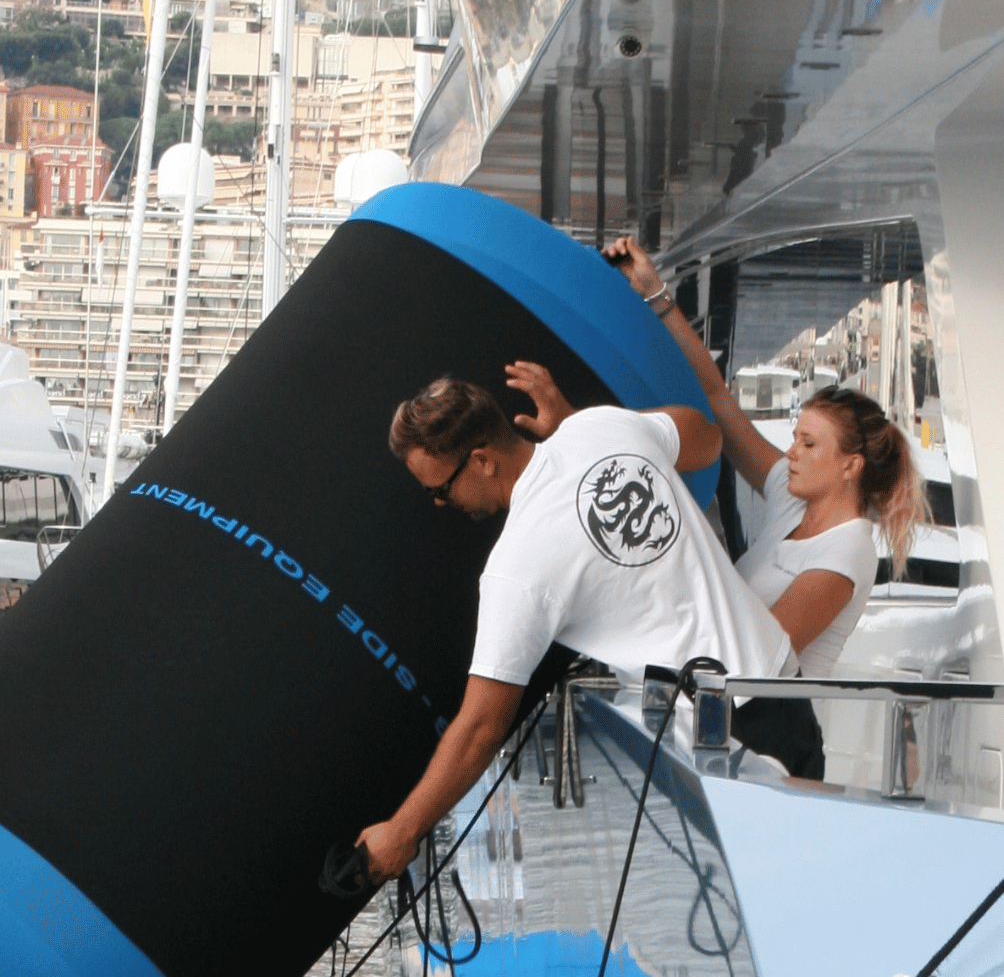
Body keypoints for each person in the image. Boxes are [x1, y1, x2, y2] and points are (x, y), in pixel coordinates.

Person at [356, 377, 800, 885]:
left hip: (726, 741)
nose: (439, 502)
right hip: (786, 685)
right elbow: (706, 439)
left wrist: (402, 830)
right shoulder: (597, 425)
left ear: (482, 460)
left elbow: (481, 727)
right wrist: (594, 430)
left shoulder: (516, 567)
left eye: (441, 489)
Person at [601, 236, 929, 679]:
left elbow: (761, 656)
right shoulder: (792, 499)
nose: (791, 453)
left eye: (809, 445)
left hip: (769, 739)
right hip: (722, 716)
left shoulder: (847, 552)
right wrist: (654, 293)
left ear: (851, 465)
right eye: (795, 438)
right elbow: (716, 397)